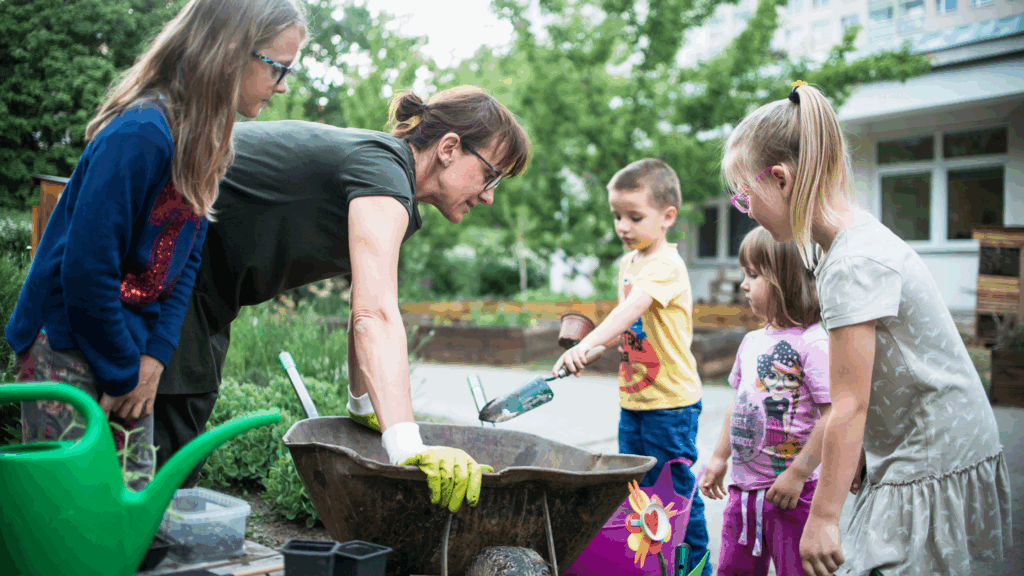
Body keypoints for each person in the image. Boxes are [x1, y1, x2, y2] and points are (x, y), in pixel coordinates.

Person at [154, 85, 531, 513]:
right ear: (448, 148)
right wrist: (407, 446)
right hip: (161, 271)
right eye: (490, 175)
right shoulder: (383, 169)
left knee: (172, 460)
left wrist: (364, 406)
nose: (489, 195)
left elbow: (363, 305)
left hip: (200, 296)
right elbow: (375, 316)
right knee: (155, 471)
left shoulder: (391, 188)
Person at [4, 0, 307, 491]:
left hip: (129, 349)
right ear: (231, 52)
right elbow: (84, 269)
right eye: (278, 68)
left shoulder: (210, 141)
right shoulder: (142, 133)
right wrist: (126, 373)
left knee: (130, 504)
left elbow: (186, 260)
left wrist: (155, 359)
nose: (284, 85)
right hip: (64, 341)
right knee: (68, 508)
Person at [721, 81, 1011, 576]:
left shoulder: (851, 263)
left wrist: (824, 517)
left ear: (781, 179)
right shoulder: (853, 240)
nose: (744, 211)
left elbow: (848, 403)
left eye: (742, 198)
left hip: (931, 456)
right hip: (921, 448)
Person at [553, 158, 711, 575]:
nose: (623, 226)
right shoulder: (632, 262)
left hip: (670, 405)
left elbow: (631, 310)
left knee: (673, 494)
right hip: (635, 401)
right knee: (639, 492)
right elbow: (633, 327)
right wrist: (596, 350)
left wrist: (588, 341)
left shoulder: (665, 265)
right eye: (617, 216)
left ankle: (694, 566)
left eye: (634, 216)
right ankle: (652, 564)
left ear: (667, 217)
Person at [700, 226, 831, 576]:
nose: (744, 284)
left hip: (791, 496)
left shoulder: (813, 343)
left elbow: (832, 417)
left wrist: (798, 473)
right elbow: (738, 404)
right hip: (742, 495)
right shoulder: (752, 341)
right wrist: (718, 457)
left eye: (754, 275)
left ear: (786, 281)